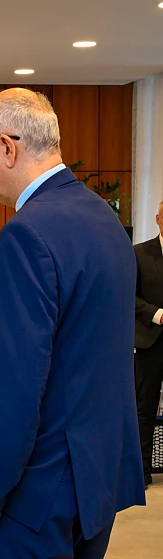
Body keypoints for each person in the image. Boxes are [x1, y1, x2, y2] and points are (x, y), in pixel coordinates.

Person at [0, 88, 144, 558]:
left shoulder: (28, 233)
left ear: (7, 147)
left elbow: (12, 390)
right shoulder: (103, 220)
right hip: (92, 482)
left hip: (31, 494)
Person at [134, 200, 163, 490]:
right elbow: (128, 296)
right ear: (158, 219)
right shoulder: (140, 253)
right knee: (145, 409)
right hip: (150, 342)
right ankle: (141, 471)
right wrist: (157, 314)